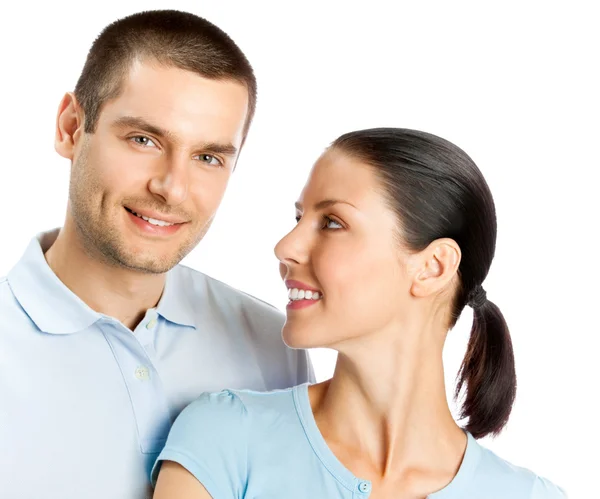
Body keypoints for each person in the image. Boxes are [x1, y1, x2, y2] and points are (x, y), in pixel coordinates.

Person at [152, 128, 566, 498]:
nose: (286, 246)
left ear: (432, 267)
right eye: (299, 217)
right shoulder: (225, 437)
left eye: (332, 222)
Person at [0, 10, 313, 499]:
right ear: (70, 127)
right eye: (143, 139)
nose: (172, 188)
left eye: (208, 157)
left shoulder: (272, 346)